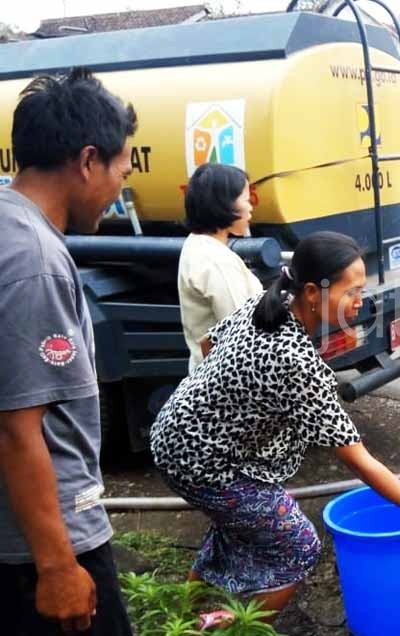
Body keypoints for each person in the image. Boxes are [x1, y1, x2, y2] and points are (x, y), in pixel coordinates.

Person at [150, 232, 400, 621]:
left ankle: (183, 616)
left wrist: (242, 415)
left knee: (237, 527)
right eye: (351, 292)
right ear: (315, 294)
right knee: (297, 544)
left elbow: (207, 346)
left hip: (173, 431)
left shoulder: (265, 304)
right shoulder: (298, 363)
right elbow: (362, 462)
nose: (360, 302)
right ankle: (240, 629)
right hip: (201, 464)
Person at [0, 68, 136, 636]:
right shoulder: (33, 260)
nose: (119, 192)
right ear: (86, 161)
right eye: (120, 172)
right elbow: (15, 425)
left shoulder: (9, 225)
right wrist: (58, 565)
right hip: (41, 551)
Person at [179, 162, 262, 372]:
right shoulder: (216, 260)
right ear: (224, 204)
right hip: (231, 386)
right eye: (245, 198)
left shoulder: (196, 244)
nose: (251, 205)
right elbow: (244, 334)